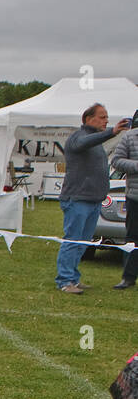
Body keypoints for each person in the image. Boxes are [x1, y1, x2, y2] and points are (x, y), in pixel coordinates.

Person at [55, 103, 131, 293]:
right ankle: (64, 281)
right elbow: (83, 143)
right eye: (102, 117)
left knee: (84, 243)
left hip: (94, 200)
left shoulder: (96, 142)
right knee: (73, 241)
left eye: (107, 117)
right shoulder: (78, 138)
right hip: (77, 200)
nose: (106, 120)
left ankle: (73, 278)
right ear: (89, 119)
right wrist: (112, 132)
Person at [112, 111, 138, 290]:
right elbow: (116, 161)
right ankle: (128, 278)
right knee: (132, 237)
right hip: (135, 196)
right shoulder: (129, 137)